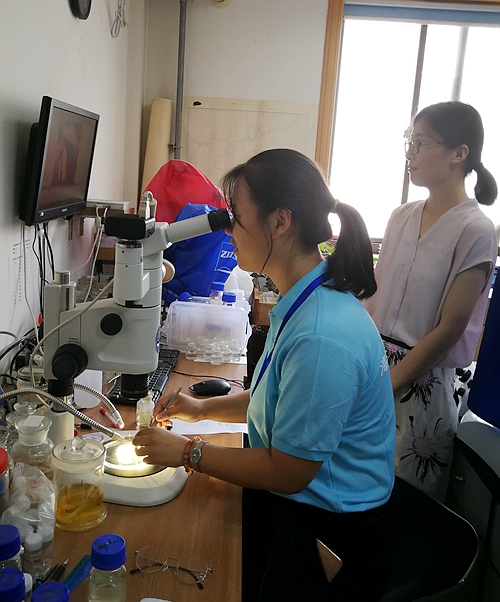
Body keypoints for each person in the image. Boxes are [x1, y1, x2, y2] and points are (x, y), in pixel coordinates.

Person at [133, 148, 395, 601]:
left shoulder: (321, 334)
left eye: (236, 217)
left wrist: (188, 453)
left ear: (279, 222)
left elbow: (287, 471)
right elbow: (277, 396)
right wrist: (202, 408)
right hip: (303, 502)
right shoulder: (305, 298)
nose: (228, 230)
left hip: (330, 536)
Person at [364, 101, 498, 501]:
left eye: (420, 142)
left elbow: (450, 329)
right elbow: (375, 293)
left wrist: (389, 382)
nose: (410, 152)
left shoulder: (476, 230)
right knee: (353, 494)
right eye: (409, 140)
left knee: (404, 506)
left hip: (422, 384)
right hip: (372, 368)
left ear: (459, 153)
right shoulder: (401, 216)